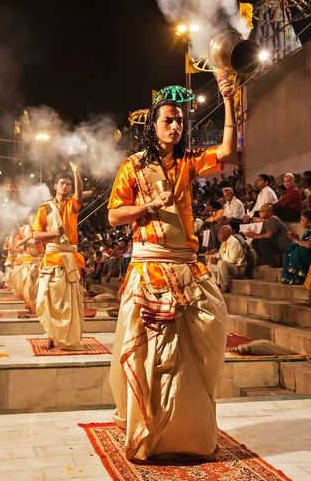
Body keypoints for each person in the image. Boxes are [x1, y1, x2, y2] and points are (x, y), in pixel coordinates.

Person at [108, 73, 235, 461]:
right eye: (169, 120)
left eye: (180, 121)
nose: (176, 126)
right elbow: (114, 216)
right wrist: (149, 206)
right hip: (149, 270)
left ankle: (190, 433)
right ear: (154, 125)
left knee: (210, 334)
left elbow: (227, 150)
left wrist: (229, 99)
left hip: (187, 267)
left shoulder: (188, 163)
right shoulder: (132, 167)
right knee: (152, 355)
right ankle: (151, 433)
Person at [32, 165, 84, 350]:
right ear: (55, 186)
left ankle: (64, 338)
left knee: (68, 303)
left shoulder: (73, 205)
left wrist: (77, 172)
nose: (66, 187)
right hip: (52, 258)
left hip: (69, 259)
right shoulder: (45, 208)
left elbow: (80, 194)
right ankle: (51, 335)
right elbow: (36, 235)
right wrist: (53, 233)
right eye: (62, 184)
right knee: (47, 300)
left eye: (68, 184)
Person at [245, 204, 290, 268]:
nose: (259, 213)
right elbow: (261, 234)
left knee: (263, 241)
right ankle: (263, 262)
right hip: (275, 242)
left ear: (269, 213)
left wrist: (255, 235)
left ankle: (271, 263)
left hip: (282, 243)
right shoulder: (266, 221)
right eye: (260, 211)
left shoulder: (273, 219)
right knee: (255, 241)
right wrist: (252, 234)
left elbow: (269, 235)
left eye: (262, 211)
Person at [208, 225, 247, 293]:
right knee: (210, 262)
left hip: (239, 269)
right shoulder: (224, 243)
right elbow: (220, 255)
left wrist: (217, 260)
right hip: (228, 266)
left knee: (221, 263)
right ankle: (216, 284)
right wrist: (213, 257)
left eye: (221, 232)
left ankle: (225, 285)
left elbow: (231, 260)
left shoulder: (234, 242)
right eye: (219, 232)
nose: (218, 234)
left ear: (227, 234)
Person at [282, 210, 311, 285]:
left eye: (303, 220)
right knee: (292, 246)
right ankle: (288, 276)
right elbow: (304, 243)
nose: (301, 222)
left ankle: (299, 276)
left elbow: (308, 245)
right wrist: (296, 239)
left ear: (309, 222)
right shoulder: (308, 231)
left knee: (299, 250)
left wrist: (296, 241)